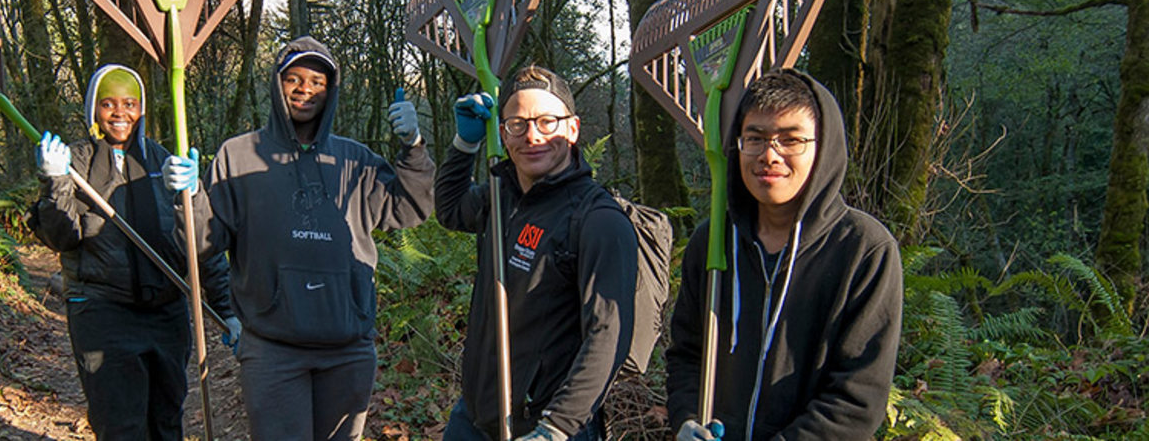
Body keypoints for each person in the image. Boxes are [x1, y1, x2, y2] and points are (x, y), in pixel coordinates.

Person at [167, 36, 435, 440]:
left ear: (331, 91)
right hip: (272, 349)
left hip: (347, 346)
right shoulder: (238, 156)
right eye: (293, 78)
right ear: (277, 85)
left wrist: (413, 148)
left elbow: (411, 208)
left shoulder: (354, 161)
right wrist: (189, 198)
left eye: (317, 81)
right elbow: (203, 242)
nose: (304, 89)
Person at [665, 68, 903, 441]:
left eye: (790, 140)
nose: (769, 156)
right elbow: (686, 355)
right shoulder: (712, 243)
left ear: (822, 147)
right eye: (755, 138)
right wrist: (685, 419)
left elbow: (858, 397)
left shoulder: (863, 250)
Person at [29, 64, 239, 441]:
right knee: (120, 426)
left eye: (129, 103)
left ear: (142, 109)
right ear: (93, 109)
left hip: (167, 313)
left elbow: (199, 244)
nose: (119, 113)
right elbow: (60, 238)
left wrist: (227, 311)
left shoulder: (164, 163)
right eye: (108, 104)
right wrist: (54, 183)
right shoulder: (75, 162)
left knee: (166, 421)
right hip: (102, 311)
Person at [435, 65, 637, 441]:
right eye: (517, 124)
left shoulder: (597, 219)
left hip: (545, 424)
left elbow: (608, 334)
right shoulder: (500, 195)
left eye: (547, 122)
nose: (532, 136)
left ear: (572, 129)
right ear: (503, 133)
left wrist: (557, 427)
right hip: (476, 414)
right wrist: (465, 146)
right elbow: (449, 210)